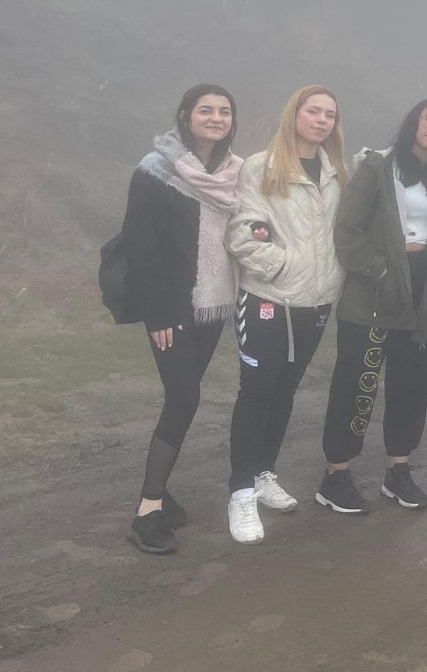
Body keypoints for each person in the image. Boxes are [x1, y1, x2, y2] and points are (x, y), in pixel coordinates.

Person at [319, 99, 427, 512]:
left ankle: (398, 470)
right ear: (414, 122)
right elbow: (348, 230)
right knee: (357, 383)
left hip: (425, 293)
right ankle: (336, 474)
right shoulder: (377, 167)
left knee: (412, 385)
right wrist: (381, 272)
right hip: (374, 289)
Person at [118, 85, 243, 554]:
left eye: (224, 111)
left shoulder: (235, 174)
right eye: (205, 110)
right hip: (171, 308)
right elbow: (140, 245)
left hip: (214, 303)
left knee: (182, 397)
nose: (216, 117)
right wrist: (159, 313)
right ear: (186, 115)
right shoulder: (156, 170)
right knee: (185, 397)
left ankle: (159, 490)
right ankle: (147, 511)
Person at [223, 85, 348, 544]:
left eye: (329, 114)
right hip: (267, 300)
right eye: (313, 111)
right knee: (257, 390)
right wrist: (283, 268)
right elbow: (243, 233)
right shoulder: (262, 166)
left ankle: (263, 473)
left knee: (284, 389)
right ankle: (240, 492)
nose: (321, 120)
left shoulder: (338, 173)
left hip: (316, 302)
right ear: (294, 114)